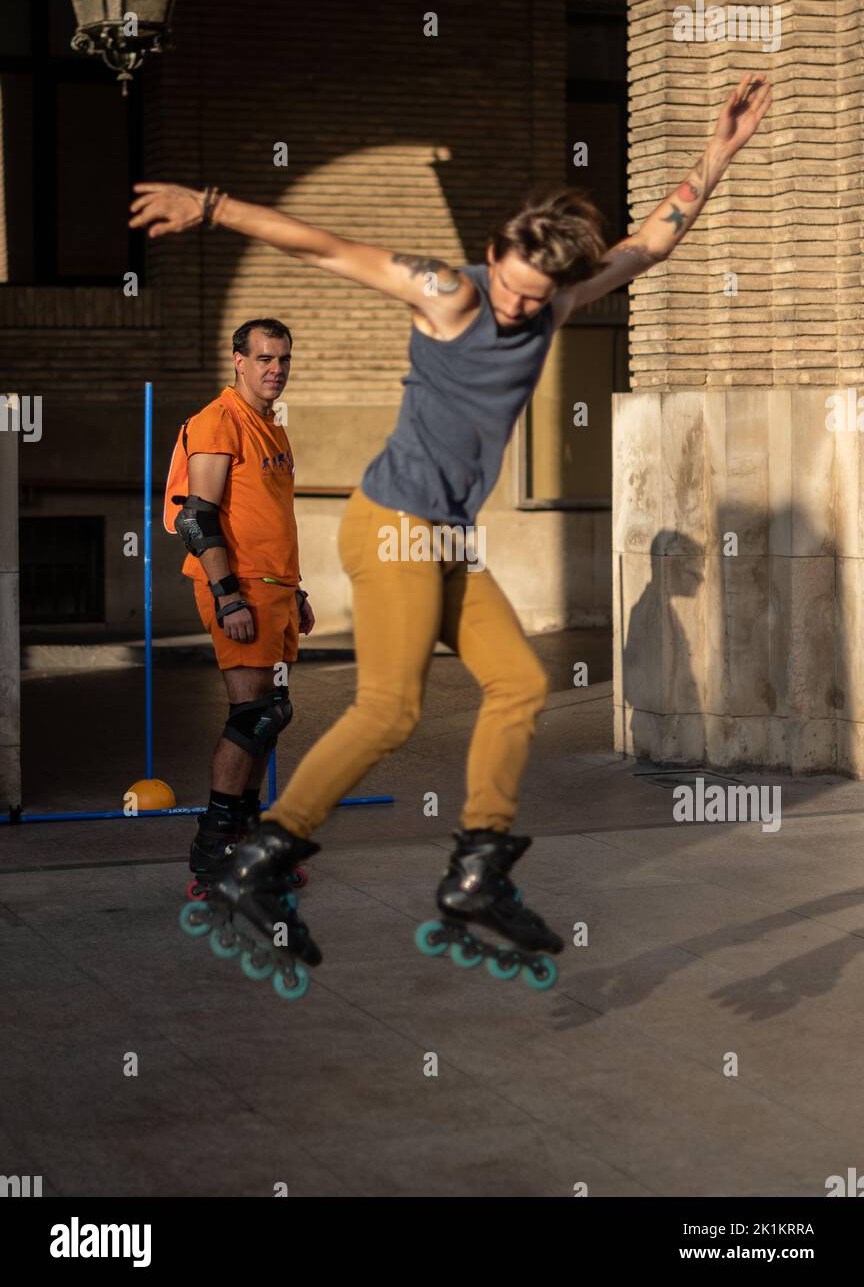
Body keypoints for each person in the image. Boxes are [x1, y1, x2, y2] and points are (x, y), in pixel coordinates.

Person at [133, 72, 772, 988]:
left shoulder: (555, 297)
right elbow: (325, 247)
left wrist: (720, 150)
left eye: (532, 298)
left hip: (444, 542)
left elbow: (650, 243)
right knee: (389, 708)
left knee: (516, 682)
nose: (515, 310)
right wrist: (212, 205)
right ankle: (260, 858)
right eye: (508, 289)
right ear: (488, 256)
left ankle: (477, 872)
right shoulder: (444, 292)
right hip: (390, 525)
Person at [165, 318, 315, 898]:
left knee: (270, 716)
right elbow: (195, 518)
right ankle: (211, 859)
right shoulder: (218, 421)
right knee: (250, 717)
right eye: (264, 358)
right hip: (241, 589)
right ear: (239, 360)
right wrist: (228, 596)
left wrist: (295, 589)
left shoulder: (272, 428)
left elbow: (268, 518)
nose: (275, 369)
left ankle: (247, 847)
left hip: (275, 588)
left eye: (283, 359)